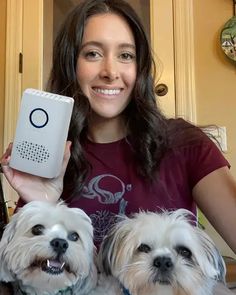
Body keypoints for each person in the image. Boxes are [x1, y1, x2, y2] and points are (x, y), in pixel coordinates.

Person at [1, 0, 236, 271]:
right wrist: (42, 204)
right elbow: (16, 274)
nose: (111, 72)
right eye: (92, 54)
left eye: (126, 55)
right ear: (70, 64)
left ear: (140, 68)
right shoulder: (54, 156)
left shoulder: (186, 145)